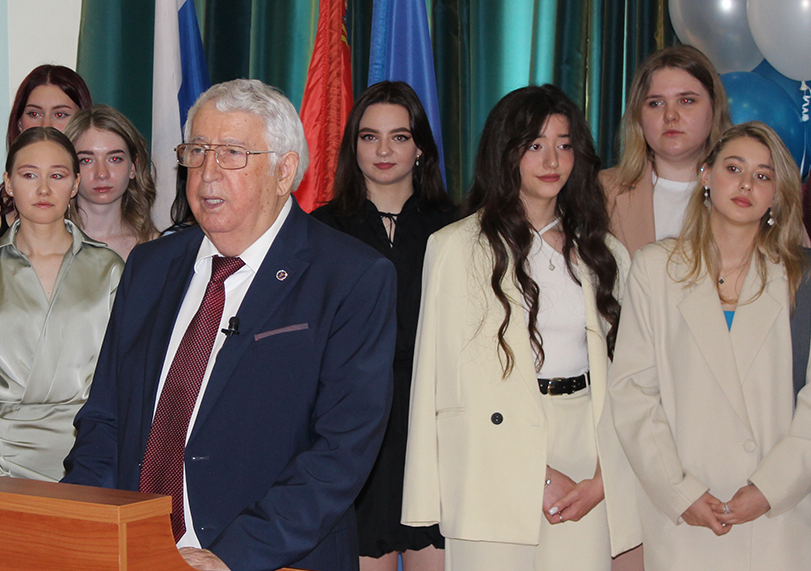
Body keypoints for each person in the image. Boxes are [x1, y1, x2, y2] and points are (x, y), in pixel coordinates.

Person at [63, 79, 397, 571]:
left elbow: (341, 452)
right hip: (135, 551)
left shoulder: (350, 277)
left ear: (284, 172)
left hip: (268, 559)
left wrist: (231, 556)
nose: (207, 173)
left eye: (232, 154)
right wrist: (77, 526)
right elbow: (106, 419)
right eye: (197, 151)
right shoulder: (150, 267)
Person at [403, 85, 641, 571]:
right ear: (504, 152)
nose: (552, 160)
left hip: (588, 449)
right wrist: (536, 474)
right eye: (535, 145)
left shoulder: (607, 253)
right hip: (492, 458)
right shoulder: (457, 247)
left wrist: (606, 476)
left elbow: (632, 377)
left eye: (564, 144)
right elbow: (438, 382)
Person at [608, 122, 811, 571]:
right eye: (733, 168)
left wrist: (771, 488)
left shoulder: (801, 276)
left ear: (777, 193)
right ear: (706, 174)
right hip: (686, 516)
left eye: (762, 175)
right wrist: (679, 491)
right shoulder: (656, 269)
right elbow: (632, 392)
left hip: (780, 517)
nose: (746, 184)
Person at [312, 81, 453, 571]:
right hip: (353, 432)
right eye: (370, 137)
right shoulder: (320, 230)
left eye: (400, 137)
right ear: (353, 147)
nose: (385, 150)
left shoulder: (459, 227)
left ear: (421, 148)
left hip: (436, 428)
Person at [0, 127, 123, 482]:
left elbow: (124, 383)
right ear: (8, 183)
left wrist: (102, 465)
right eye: (29, 175)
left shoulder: (109, 269)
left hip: (94, 458)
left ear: (75, 184)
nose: (43, 189)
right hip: (2, 463)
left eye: (57, 176)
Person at [599, 45, 730, 256]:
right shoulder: (601, 193)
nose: (670, 115)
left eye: (686, 101)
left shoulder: (750, 190)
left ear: (715, 108)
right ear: (638, 116)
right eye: (656, 103)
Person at [0, 64, 92, 259]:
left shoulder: (100, 205)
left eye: (60, 115)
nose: (46, 125)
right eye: (34, 114)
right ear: (19, 123)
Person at [64, 105, 158, 260]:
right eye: (86, 160)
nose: (102, 174)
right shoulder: (44, 245)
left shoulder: (158, 248)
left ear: (133, 167)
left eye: (114, 159)